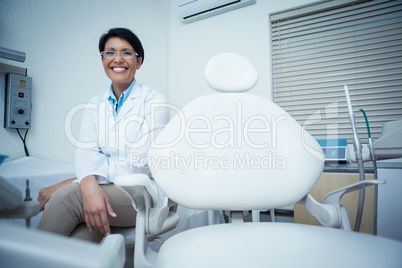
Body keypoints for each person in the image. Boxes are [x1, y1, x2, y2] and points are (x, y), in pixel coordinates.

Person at [37, 28, 169, 243]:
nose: (118, 59)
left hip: (140, 194)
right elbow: (86, 151)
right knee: (78, 239)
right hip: (108, 192)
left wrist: (82, 182)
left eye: (127, 53)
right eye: (110, 52)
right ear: (102, 59)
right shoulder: (94, 104)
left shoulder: (155, 102)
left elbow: (139, 163)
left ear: (139, 61)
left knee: (66, 198)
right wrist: (88, 183)